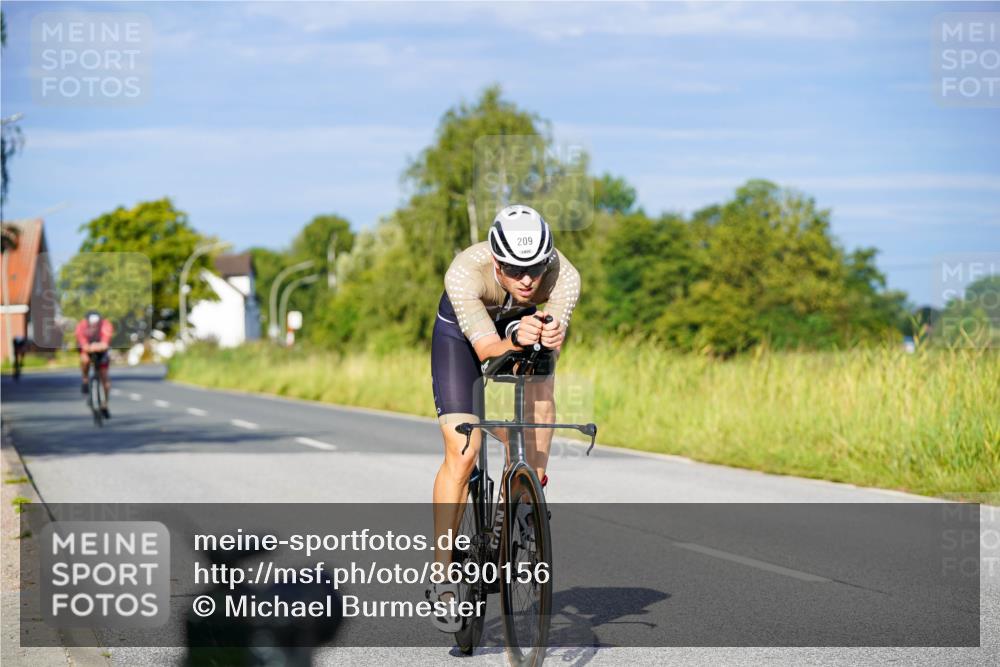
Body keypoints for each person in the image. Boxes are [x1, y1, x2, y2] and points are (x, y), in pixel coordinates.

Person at [427, 204, 580, 631]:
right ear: (496, 261)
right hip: (463, 336)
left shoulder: (565, 275)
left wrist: (548, 336)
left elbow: (550, 349)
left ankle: (533, 491)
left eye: (535, 267)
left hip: (520, 326)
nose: (528, 279)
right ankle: (442, 573)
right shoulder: (464, 273)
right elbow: (486, 352)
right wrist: (513, 337)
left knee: (543, 375)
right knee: (464, 449)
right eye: (514, 269)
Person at [76, 310, 114, 418]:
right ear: (87, 322)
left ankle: (104, 405)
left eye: (96, 324)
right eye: (91, 324)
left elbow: (105, 342)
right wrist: (89, 347)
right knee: (85, 360)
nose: (94, 326)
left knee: (105, 379)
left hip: (101, 352)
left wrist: (99, 346)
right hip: (87, 350)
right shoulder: (81, 326)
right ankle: (85, 379)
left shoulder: (106, 324)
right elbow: (82, 342)